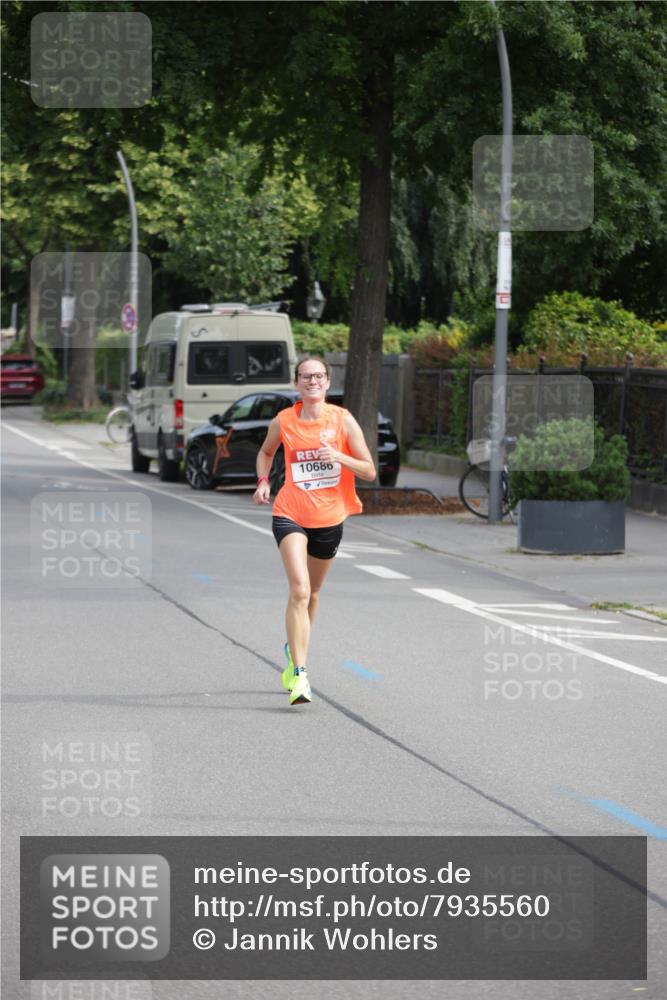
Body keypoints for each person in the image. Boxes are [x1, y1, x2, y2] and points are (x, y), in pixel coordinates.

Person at [253, 357, 376, 705]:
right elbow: (265, 452)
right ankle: (300, 675)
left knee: (314, 592)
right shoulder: (284, 420)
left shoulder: (343, 420)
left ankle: (294, 648)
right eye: (306, 376)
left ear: (327, 382)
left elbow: (369, 471)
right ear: (297, 383)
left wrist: (339, 456)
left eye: (319, 376)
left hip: (329, 517)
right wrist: (263, 481)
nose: (313, 381)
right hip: (290, 512)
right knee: (299, 588)